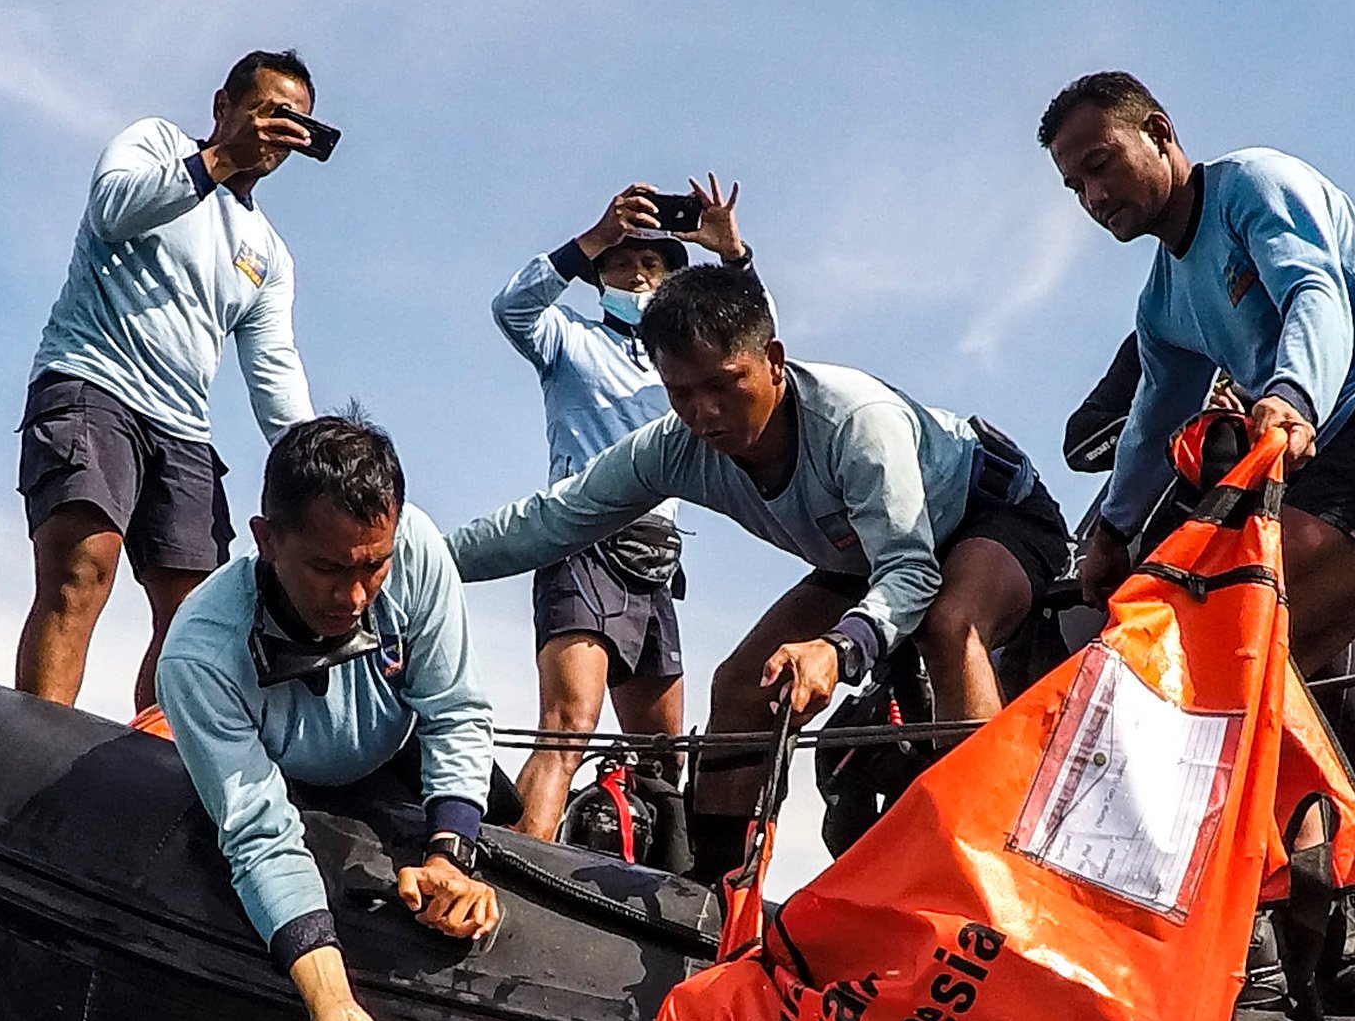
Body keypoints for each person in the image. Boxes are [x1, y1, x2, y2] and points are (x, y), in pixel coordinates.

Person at [1040, 71, 1355, 1004]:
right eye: (1074, 186)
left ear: (1160, 133)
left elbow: (1314, 298)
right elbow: (1150, 416)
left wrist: (1286, 396)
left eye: (1101, 164)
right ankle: (1347, 957)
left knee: (1243, 672)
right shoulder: (1164, 300)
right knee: (1301, 708)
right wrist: (1112, 533)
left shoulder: (1255, 187)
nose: (1093, 197)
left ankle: (1330, 959)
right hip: (1319, 465)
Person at [447, 263, 1072, 880]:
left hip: (990, 516)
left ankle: (988, 865)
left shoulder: (856, 422)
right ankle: (713, 894)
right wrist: (420, 559)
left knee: (948, 623)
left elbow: (908, 572)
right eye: (682, 393)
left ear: (773, 359)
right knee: (742, 686)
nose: (705, 412)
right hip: (860, 558)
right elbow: (554, 518)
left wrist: (837, 648)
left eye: (724, 384)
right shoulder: (674, 447)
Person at [153, 415, 500, 1021]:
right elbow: (258, 835)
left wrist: (451, 856)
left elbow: (456, 712)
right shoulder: (198, 655)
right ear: (266, 539)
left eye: (374, 566)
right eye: (328, 568)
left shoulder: (421, 553)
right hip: (283, 786)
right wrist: (330, 1001)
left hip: (400, 763)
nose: (353, 596)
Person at [14, 49, 330, 716]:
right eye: (271, 113)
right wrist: (218, 161)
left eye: (295, 124)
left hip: (183, 428)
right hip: (94, 382)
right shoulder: (155, 142)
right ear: (224, 106)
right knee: (82, 572)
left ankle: (147, 769)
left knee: (193, 617)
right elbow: (112, 208)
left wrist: (319, 463)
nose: (280, 134)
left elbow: (273, 367)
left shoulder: (267, 252)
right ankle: (37, 746)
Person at [491, 180, 745, 842]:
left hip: (658, 561)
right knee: (568, 728)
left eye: (654, 264)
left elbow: (754, 357)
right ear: (599, 274)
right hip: (584, 545)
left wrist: (732, 257)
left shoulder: (682, 362)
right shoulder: (569, 338)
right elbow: (512, 308)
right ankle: (511, 878)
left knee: (661, 763)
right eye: (624, 261)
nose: (638, 274)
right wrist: (595, 236)